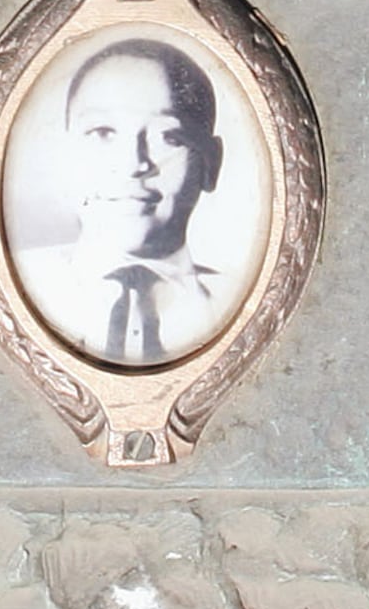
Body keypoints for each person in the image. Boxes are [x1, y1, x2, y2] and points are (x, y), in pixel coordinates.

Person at [12, 34, 234, 366]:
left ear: (210, 165)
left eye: (168, 137)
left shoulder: (238, 305)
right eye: (102, 133)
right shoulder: (19, 285)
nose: (134, 164)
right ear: (65, 153)